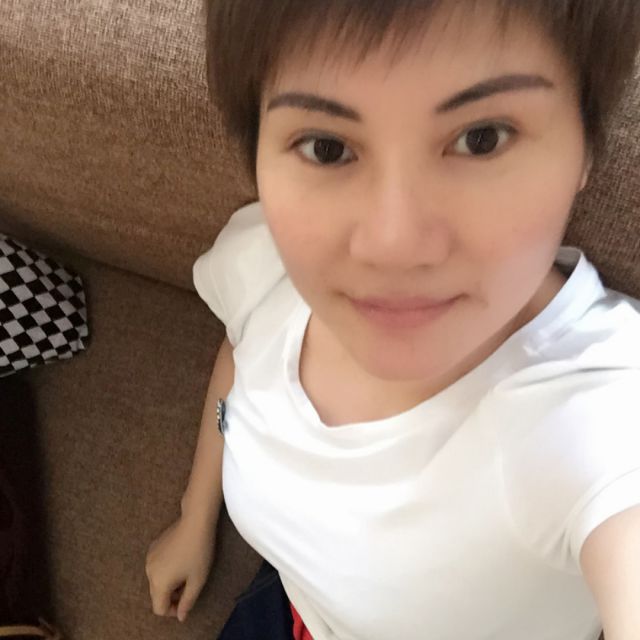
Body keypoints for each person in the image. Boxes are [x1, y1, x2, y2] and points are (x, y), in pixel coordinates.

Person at [145, 1, 640, 638]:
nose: (393, 245)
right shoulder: (268, 260)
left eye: (482, 138)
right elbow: (241, 355)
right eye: (328, 148)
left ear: (586, 150)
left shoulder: (599, 408)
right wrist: (196, 517)